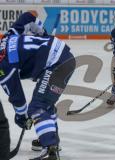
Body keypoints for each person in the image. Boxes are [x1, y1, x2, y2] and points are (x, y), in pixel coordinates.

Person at [0, 12, 76, 160]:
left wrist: (21, 117)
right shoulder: (7, 37)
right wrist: (44, 34)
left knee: (37, 106)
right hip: (63, 58)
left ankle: (50, 150)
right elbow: (27, 17)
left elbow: (17, 97)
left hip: (57, 63)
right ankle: (48, 139)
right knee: (46, 103)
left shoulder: (2, 67)